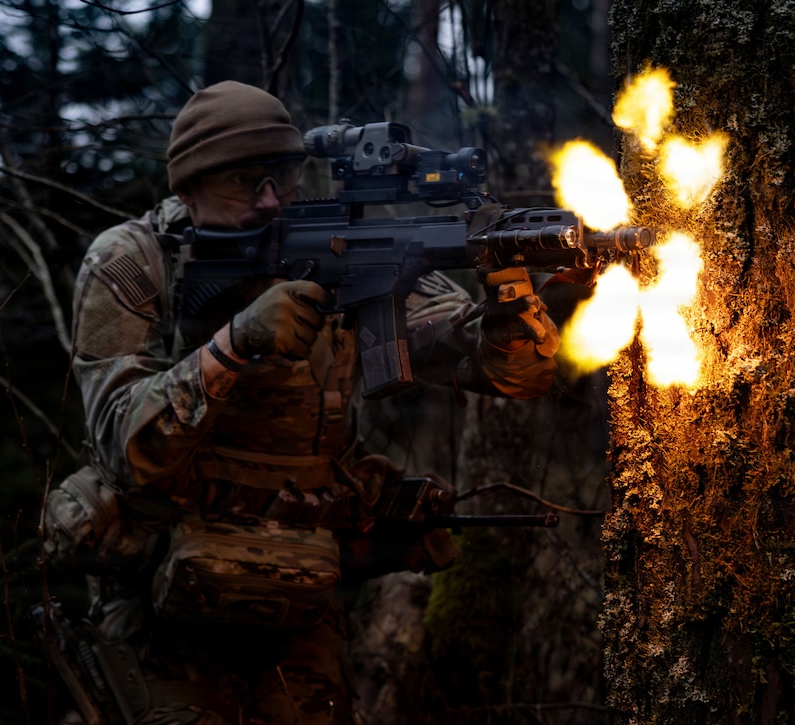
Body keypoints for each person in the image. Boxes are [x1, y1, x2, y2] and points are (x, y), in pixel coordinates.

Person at [44, 80, 560, 724]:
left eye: (282, 177)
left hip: (303, 589)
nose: (269, 200)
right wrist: (233, 346)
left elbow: (510, 374)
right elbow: (126, 447)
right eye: (243, 182)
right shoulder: (135, 262)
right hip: (158, 597)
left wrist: (509, 295)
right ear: (188, 188)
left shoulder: (337, 247)